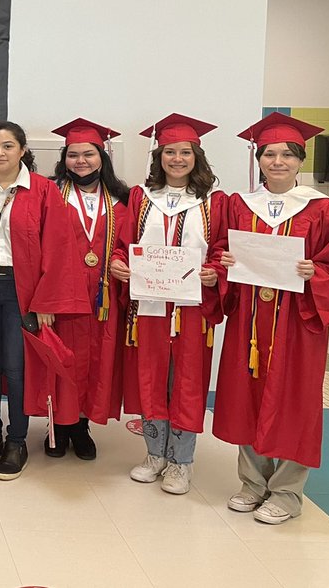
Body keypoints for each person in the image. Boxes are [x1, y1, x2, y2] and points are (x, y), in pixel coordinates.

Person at [213, 113, 329, 524]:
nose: (277, 161)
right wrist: (225, 263)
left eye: (287, 154)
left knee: (295, 400)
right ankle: (252, 483)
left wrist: (318, 273)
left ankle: (287, 492)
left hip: (298, 323)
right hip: (250, 321)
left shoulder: (324, 210)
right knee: (247, 395)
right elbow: (221, 252)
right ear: (258, 159)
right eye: (269, 154)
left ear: (300, 160)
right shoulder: (240, 206)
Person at [0, 121, 88, 480]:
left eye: (8, 146)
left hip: (21, 290)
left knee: (16, 367)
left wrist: (45, 302)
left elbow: (58, 248)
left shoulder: (43, 190)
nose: (0, 153)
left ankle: (16, 441)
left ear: (23, 150)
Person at [109, 113, 227, 496]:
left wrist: (214, 272)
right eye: (170, 152)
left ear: (197, 157)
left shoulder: (214, 202)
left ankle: (181, 461)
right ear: (159, 157)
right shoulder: (141, 198)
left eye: (185, 152)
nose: (177, 159)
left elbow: (222, 248)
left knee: (188, 381)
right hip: (149, 306)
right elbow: (123, 243)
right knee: (151, 376)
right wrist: (118, 263)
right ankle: (154, 455)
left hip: (191, 309)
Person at [47, 118, 132, 461]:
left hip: (103, 296)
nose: (80, 161)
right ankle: (58, 426)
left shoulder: (122, 200)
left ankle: (81, 426)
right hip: (63, 294)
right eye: (73, 155)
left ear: (102, 157)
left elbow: (130, 244)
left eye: (88, 154)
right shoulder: (51, 194)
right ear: (64, 159)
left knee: (96, 360)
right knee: (63, 359)